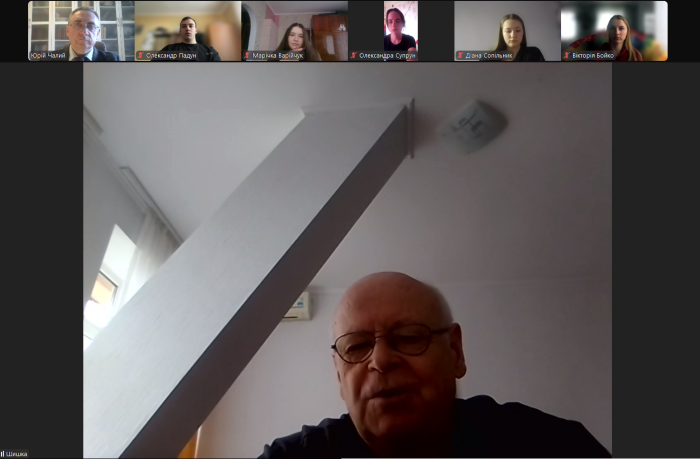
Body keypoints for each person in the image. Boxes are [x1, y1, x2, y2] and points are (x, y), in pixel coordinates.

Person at [259, 272, 611, 458]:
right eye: (357, 346)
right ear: (339, 375)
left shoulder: (550, 447)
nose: (380, 360)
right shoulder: (292, 456)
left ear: (455, 352)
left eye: (409, 337)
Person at [153, 17, 221, 61]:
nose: (187, 28)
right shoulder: (169, 49)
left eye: (191, 26)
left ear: (196, 30)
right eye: (184, 26)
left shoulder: (210, 51)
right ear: (180, 31)